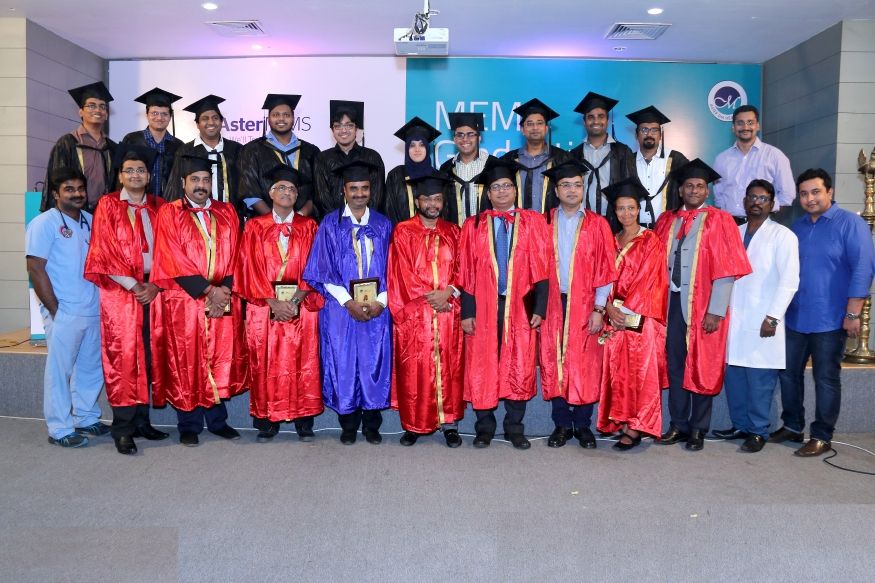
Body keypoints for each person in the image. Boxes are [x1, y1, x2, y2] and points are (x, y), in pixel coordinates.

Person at [772, 168, 875, 456]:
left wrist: (853, 314)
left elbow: (863, 269)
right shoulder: (798, 227)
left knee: (826, 378)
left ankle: (821, 435)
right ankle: (792, 426)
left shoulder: (850, 225)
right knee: (788, 374)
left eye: (816, 191)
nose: (810, 198)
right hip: (795, 317)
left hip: (831, 318)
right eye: (804, 193)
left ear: (830, 192)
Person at [654, 159, 752, 451]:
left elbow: (727, 268)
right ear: (680, 190)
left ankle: (698, 428)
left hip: (703, 306)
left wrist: (716, 310)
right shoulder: (666, 221)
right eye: (689, 186)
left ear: (706, 190)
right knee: (675, 366)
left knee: (703, 365)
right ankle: (678, 425)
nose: (694, 190)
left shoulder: (720, 221)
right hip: (670, 303)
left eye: (700, 186)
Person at [150, 155, 248, 446]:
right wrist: (208, 291)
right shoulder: (170, 213)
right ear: (183, 183)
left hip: (223, 298)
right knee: (188, 358)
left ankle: (218, 421)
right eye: (195, 180)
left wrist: (225, 290)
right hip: (186, 301)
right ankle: (189, 424)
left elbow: (237, 253)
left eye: (206, 180)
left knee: (219, 357)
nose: (201, 185)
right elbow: (171, 256)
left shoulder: (227, 211)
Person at [458, 158, 551, 450]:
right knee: (483, 363)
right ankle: (484, 428)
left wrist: (539, 308)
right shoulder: (473, 225)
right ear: (488, 194)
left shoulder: (534, 221)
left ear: (515, 190)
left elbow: (543, 267)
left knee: (519, 362)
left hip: (520, 306)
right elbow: (466, 272)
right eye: (495, 187)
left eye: (506, 186)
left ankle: (514, 428)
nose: (501, 192)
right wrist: (468, 312)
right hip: (485, 306)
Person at [84, 146, 170, 455]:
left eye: (141, 171)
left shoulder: (160, 206)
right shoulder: (107, 206)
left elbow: (171, 251)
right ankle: (122, 427)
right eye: (129, 170)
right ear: (120, 175)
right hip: (121, 295)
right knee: (123, 358)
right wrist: (136, 286)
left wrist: (156, 285)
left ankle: (143, 421)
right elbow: (103, 253)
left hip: (155, 291)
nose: (136, 175)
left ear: (149, 177)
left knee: (149, 356)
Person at [303, 160, 393, 445]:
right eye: (353, 188)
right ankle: (348, 424)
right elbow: (321, 268)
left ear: (371, 190)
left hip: (378, 309)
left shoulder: (383, 223)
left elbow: (395, 267)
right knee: (343, 363)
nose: (359, 193)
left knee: (373, 362)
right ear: (344, 190)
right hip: (340, 309)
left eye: (364, 188)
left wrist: (381, 300)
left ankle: (372, 425)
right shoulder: (330, 224)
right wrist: (347, 302)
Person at [235, 165, 324, 442]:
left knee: (304, 359)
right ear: (271, 193)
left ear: (297, 196)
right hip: (265, 307)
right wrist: (272, 301)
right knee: (265, 361)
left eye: (292, 189)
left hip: (301, 305)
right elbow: (246, 267)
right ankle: (266, 420)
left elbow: (316, 266)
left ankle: (303, 419)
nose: (287, 193)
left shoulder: (309, 226)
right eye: (281, 188)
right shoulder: (254, 226)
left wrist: (297, 298)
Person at [713, 179, 799, 453]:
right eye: (752, 197)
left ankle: (758, 430)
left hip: (764, 320)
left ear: (772, 205)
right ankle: (740, 425)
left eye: (763, 198)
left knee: (760, 380)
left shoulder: (783, 236)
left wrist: (773, 317)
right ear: (744, 201)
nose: (756, 202)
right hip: (734, 318)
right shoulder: (733, 232)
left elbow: (789, 281)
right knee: (735, 377)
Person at [26, 167, 108, 447]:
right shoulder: (44, 223)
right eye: (69, 189)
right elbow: (36, 268)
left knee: (90, 367)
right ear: (55, 194)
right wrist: (55, 310)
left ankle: (85, 417)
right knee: (60, 371)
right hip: (64, 310)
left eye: (80, 189)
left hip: (93, 307)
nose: (77, 194)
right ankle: (59, 428)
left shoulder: (91, 220)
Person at [539, 160, 617, 448]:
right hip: (552, 303)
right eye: (565, 185)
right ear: (556, 190)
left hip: (585, 303)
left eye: (577, 184)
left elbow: (606, 270)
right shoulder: (543, 222)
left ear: (584, 188)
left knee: (585, 363)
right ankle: (561, 424)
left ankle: (583, 425)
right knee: (554, 362)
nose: (572, 190)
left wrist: (599, 308)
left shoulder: (598, 224)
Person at [388, 172, 465, 447]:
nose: (432, 203)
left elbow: (463, 269)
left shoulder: (453, 231)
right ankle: (414, 424)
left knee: (449, 366)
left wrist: (450, 292)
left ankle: (450, 423)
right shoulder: (403, 230)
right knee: (416, 368)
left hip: (447, 311)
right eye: (426, 198)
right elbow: (401, 272)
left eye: (437, 198)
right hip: (416, 314)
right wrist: (430, 297)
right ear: (417, 200)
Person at [597, 178, 668, 450]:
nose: (626, 213)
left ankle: (637, 426)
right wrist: (609, 307)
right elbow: (604, 277)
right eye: (620, 209)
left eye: (631, 208)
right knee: (620, 371)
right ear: (614, 212)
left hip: (640, 316)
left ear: (639, 209)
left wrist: (621, 310)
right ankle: (622, 420)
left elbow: (648, 279)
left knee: (641, 371)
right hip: (614, 314)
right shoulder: (612, 241)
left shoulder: (650, 240)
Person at [237, 94, 318, 218]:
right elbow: (250, 192)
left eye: (286, 115)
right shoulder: (252, 150)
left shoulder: (311, 151)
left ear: (293, 118)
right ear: (268, 118)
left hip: (304, 226)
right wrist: (275, 221)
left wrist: (298, 219)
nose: (281, 119)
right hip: (264, 226)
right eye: (275, 115)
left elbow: (315, 193)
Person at [41, 82, 117, 212]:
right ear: (81, 112)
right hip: (73, 212)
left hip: (105, 213)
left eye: (102, 106)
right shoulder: (67, 143)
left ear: (106, 114)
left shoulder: (112, 147)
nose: (98, 110)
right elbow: (55, 182)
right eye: (91, 106)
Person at [713, 105, 795, 223]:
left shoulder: (775, 156)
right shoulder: (721, 159)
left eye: (750, 122)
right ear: (733, 127)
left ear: (758, 126)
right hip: (728, 225)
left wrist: (766, 216)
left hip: (762, 223)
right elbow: (719, 197)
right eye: (740, 123)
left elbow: (787, 195)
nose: (745, 127)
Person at [165, 94, 243, 207]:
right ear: (197, 124)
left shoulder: (237, 150)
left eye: (215, 118)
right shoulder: (184, 151)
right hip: (196, 218)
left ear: (221, 122)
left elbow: (245, 187)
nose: (211, 122)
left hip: (232, 217)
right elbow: (176, 188)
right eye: (205, 118)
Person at [569, 92, 636, 221]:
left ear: (607, 120)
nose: (596, 121)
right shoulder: (574, 155)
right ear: (584, 122)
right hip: (581, 220)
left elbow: (630, 190)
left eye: (601, 116)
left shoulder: (622, 152)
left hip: (614, 221)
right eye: (590, 117)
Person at [313, 99, 386, 217]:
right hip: (334, 227)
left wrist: (362, 222)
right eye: (338, 126)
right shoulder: (322, 159)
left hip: (366, 227)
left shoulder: (372, 157)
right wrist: (337, 224)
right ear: (332, 130)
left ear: (356, 129)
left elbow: (377, 196)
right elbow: (322, 197)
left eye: (349, 125)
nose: (344, 130)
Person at [500, 98, 568, 213]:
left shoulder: (562, 159)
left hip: (551, 225)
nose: (535, 128)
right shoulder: (508, 160)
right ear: (522, 129)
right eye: (530, 124)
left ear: (546, 128)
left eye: (540, 123)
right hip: (516, 226)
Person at [626, 105, 689, 229]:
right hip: (635, 230)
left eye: (654, 130)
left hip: (668, 228)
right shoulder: (627, 162)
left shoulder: (676, 159)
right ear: (636, 135)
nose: (649, 134)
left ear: (660, 135)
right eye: (644, 129)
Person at [121, 87, 183, 200]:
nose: (159, 118)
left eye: (164, 114)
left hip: (168, 206)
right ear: (147, 114)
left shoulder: (178, 146)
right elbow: (120, 176)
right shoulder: (131, 140)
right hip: (137, 204)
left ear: (170, 116)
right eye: (154, 113)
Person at [384, 117, 441, 225]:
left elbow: (444, 213)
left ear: (427, 148)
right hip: (402, 238)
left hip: (433, 239)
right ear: (407, 149)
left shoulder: (438, 177)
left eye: (422, 145)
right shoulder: (395, 176)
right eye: (412, 145)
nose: (417, 149)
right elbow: (389, 211)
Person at [438, 112, 492, 227]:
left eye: (470, 134)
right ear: (454, 139)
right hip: (455, 236)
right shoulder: (446, 169)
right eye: (460, 135)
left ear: (479, 138)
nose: (465, 139)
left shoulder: (493, 165)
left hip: (486, 236)